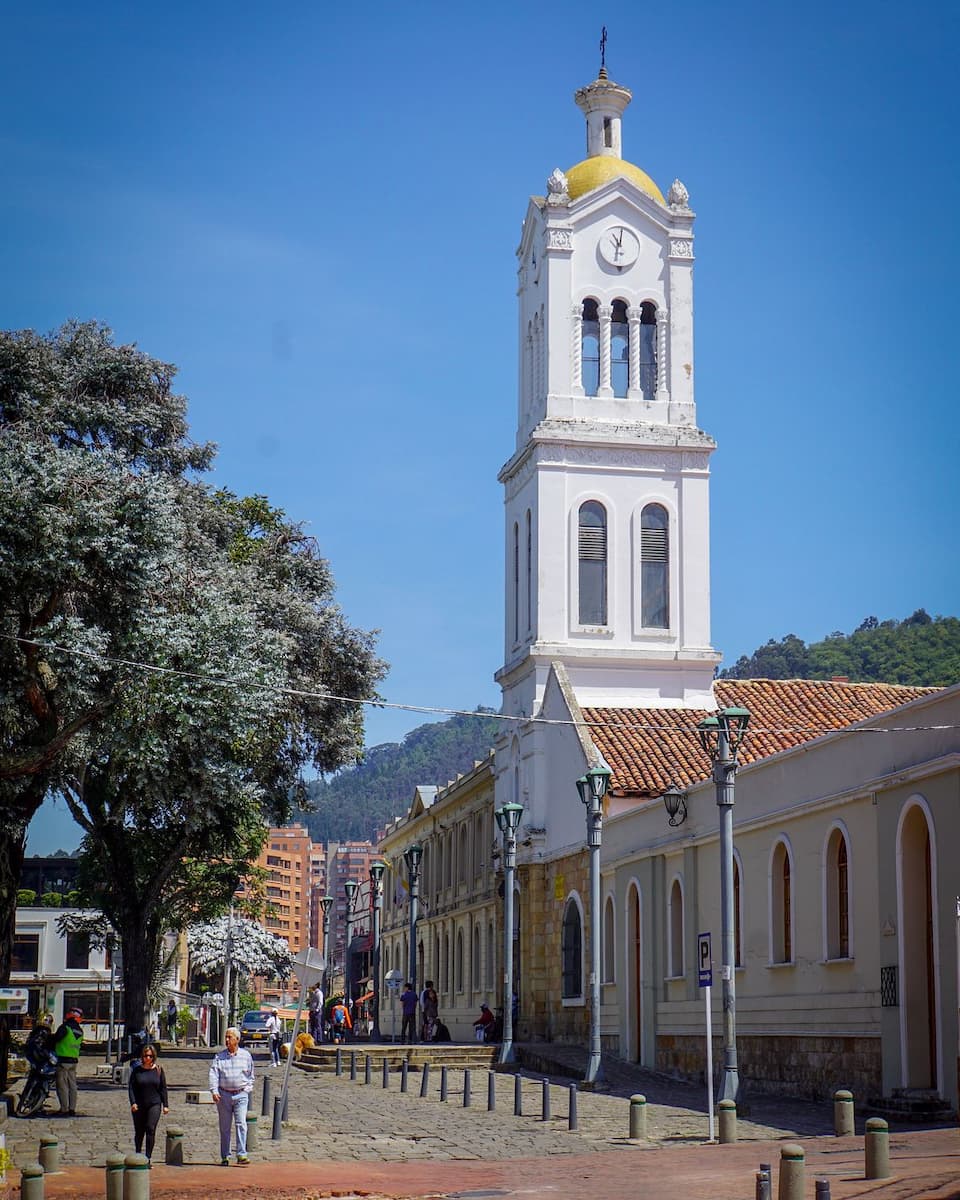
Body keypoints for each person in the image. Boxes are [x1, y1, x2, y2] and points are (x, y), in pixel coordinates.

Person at [208, 1026, 254, 1166]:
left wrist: (247, 1089)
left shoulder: (246, 1055)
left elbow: (251, 1075)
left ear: (237, 1040)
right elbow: (213, 1074)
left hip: (240, 1094)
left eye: (230, 1037)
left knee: (241, 1124)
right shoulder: (219, 1057)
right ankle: (225, 1156)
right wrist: (214, 1091)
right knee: (225, 1127)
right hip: (224, 1095)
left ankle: (241, 1154)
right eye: (226, 1037)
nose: (227, 1040)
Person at [128, 1044, 169, 1163]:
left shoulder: (159, 1070)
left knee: (150, 1128)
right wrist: (133, 1103)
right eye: (146, 1056)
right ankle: (138, 1154)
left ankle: (148, 1157)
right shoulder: (137, 1071)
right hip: (139, 1104)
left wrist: (166, 1105)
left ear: (154, 1057)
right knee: (139, 1131)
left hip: (154, 1104)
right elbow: (131, 1088)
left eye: (150, 1056)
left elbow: (163, 1088)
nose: (148, 1058)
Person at [52, 1007, 83, 1115]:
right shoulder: (79, 1030)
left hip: (63, 1061)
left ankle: (64, 1109)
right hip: (74, 1062)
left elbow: (55, 1039)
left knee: (62, 1085)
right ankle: (72, 1108)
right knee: (72, 1086)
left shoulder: (65, 1028)